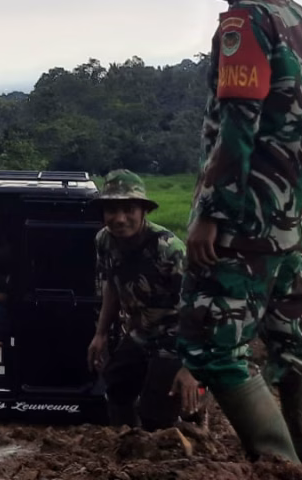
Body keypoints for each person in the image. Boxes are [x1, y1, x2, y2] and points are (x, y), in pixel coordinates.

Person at [176, 0, 302, 465]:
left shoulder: (242, 23)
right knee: (292, 342)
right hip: (291, 210)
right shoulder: (300, 18)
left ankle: (284, 469)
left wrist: (213, 211)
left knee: (214, 350)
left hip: (248, 212)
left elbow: (241, 121)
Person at [87, 169, 201, 431]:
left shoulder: (168, 249)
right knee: (115, 387)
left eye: (128, 210)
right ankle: (129, 445)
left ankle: (174, 443)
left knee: (156, 414)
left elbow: (198, 308)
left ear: (143, 211)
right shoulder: (104, 241)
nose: (119, 219)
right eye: (111, 210)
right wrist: (100, 333)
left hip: (177, 337)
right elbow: (112, 287)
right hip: (141, 332)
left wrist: (192, 367)